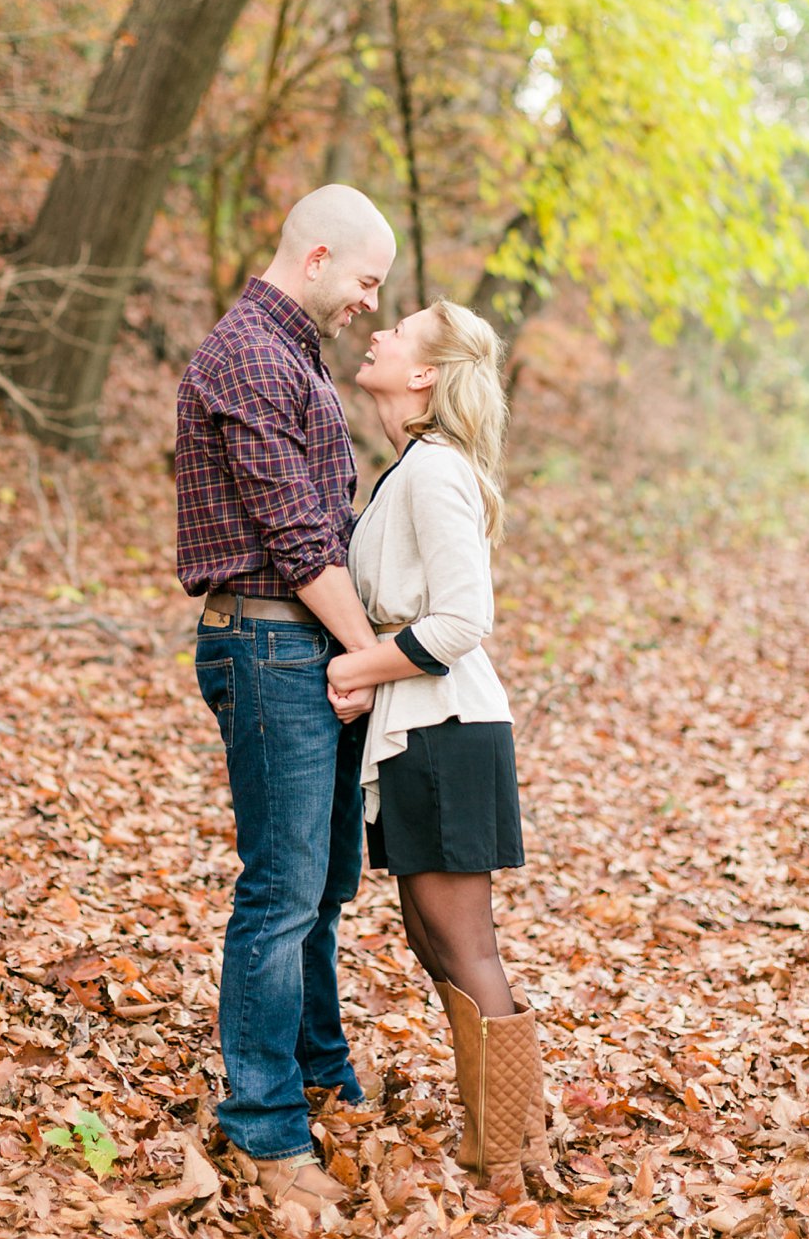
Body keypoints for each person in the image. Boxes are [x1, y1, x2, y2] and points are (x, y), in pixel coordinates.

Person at [176, 185, 398, 1216]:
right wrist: (367, 657)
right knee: (281, 888)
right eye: (365, 280)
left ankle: (321, 1070)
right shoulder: (250, 356)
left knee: (321, 883)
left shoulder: (292, 347)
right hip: (269, 644)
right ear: (316, 256)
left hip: (299, 641)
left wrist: (347, 653)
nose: (369, 302)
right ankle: (265, 1126)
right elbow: (298, 537)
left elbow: (323, 523)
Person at [324, 298, 553, 1197]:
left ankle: (514, 1150)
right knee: (432, 939)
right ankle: (496, 1135)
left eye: (399, 329)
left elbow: (464, 617)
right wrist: (371, 673)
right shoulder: (411, 468)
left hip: (449, 730)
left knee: (466, 945)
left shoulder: (434, 472)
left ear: (423, 373)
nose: (377, 332)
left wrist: (362, 665)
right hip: (422, 728)